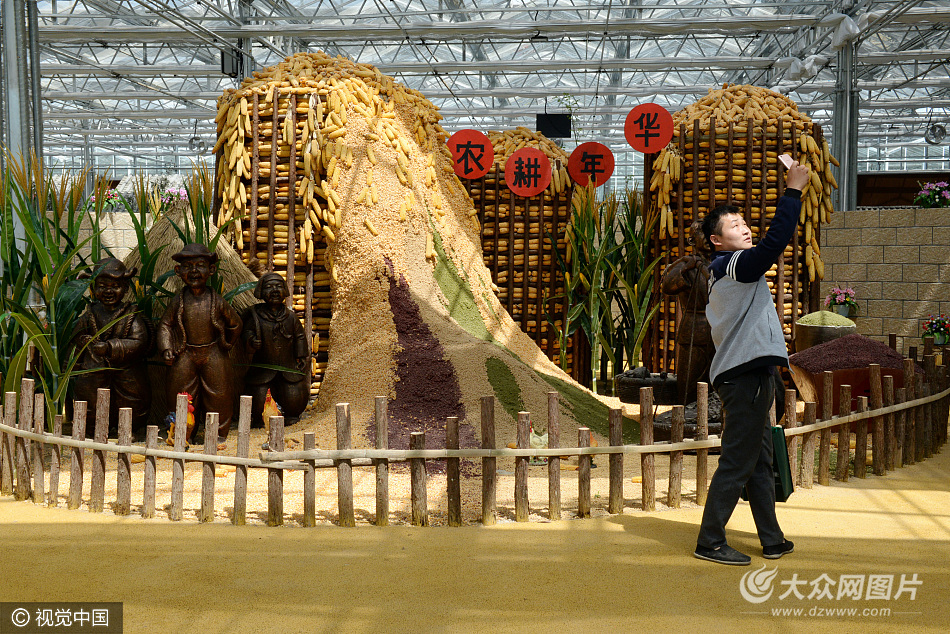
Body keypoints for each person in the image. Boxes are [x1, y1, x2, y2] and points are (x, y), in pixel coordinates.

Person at [693, 160, 809, 565]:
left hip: (752, 375)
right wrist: (793, 191)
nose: (743, 227)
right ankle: (709, 542)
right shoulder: (731, 265)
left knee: (759, 460)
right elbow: (773, 245)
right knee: (738, 460)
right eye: (733, 225)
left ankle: (772, 539)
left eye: (743, 221)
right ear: (716, 240)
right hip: (744, 379)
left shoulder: (731, 269)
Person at [157, 243, 242, 446]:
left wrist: (226, 344)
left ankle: (218, 434)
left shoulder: (216, 300)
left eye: (200, 265)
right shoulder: (179, 300)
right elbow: (165, 325)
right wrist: (167, 348)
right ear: (178, 271)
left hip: (213, 351)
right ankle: (183, 433)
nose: (194, 271)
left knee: (219, 394)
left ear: (211, 270)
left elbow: (235, 324)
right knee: (180, 393)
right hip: (185, 352)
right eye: (187, 266)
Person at [71, 258, 152, 437]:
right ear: (93, 289)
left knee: (131, 401)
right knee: (90, 398)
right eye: (102, 286)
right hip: (95, 371)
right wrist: (83, 341)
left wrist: (110, 347)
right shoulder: (89, 315)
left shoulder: (131, 316)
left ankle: (128, 430)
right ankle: (94, 430)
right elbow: (75, 338)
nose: (108, 291)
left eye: (115, 286)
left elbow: (139, 342)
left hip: (125, 371)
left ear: (125, 288)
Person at [243, 272, 310, 427]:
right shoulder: (255, 316)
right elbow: (246, 333)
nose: (274, 290)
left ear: (285, 290)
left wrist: (301, 356)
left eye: (278, 286)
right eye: (269, 287)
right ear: (261, 291)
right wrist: (251, 341)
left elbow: (300, 337)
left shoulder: (290, 317)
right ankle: (259, 421)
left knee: (294, 397)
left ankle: (291, 417)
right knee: (258, 398)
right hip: (262, 370)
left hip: (288, 367)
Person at [661, 249, 713, 406]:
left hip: (719, 330)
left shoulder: (722, 263)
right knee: (690, 380)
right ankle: (687, 412)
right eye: (701, 236)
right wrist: (685, 268)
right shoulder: (685, 264)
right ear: (692, 240)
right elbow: (667, 286)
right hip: (693, 329)